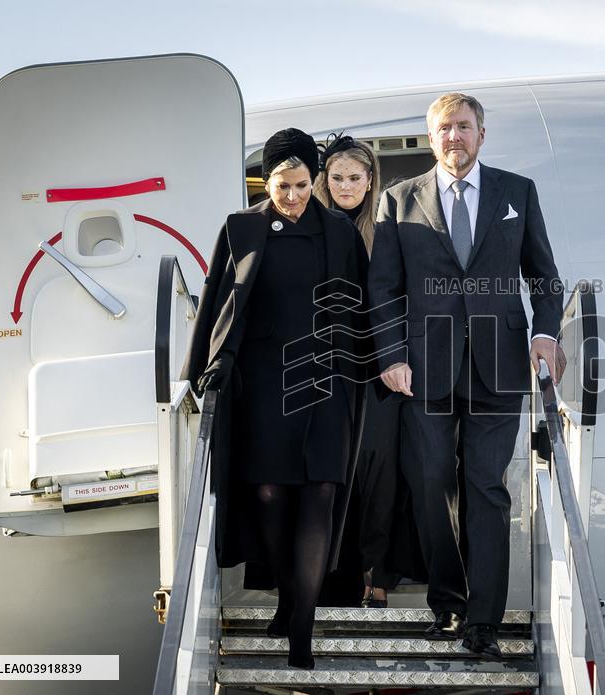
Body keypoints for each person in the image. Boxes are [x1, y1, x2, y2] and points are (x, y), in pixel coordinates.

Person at [368, 93, 566, 658]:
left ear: (482, 134)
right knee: (431, 485)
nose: (454, 137)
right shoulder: (398, 200)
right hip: (421, 369)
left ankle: (483, 621)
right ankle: (448, 602)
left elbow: (544, 277)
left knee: (486, 489)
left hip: (498, 364)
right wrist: (391, 354)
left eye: (463, 127)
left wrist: (544, 333)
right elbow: (383, 289)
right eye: (443, 129)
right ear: (431, 140)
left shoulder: (516, 192)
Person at [180, 127, 371, 670]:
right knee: (267, 496)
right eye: (282, 186)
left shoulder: (338, 231)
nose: (292, 196)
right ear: (266, 181)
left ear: (315, 178)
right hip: (262, 383)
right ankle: (290, 598)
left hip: (327, 381)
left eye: (302, 184)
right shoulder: (242, 227)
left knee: (320, 497)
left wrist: (377, 365)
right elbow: (217, 301)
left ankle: (301, 634)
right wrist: (199, 371)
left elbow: (362, 307)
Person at [314, 134, 398, 608]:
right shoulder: (315, 228)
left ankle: (378, 573)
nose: (346, 186)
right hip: (327, 373)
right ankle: (335, 577)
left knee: (380, 477)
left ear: (370, 181)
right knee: (335, 477)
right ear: (326, 180)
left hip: (378, 375)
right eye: (338, 178)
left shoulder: (386, 229)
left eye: (355, 178)